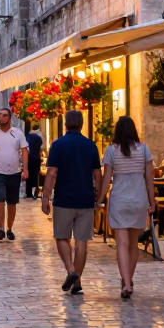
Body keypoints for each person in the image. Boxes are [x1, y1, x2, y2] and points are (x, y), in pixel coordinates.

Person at [42, 110, 102, 296]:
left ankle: (71, 271)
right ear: (82, 124)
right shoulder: (91, 145)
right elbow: (97, 175)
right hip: (85, 199)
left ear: (65, 124)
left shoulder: (58, 145)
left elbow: (51, 173)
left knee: (61, 237)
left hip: (63, 199)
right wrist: (98, 197)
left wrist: (45, 197)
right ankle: (77, 282)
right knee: (82, 241)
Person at [95, 116, 154, 299]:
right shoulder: (144, 150)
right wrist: (152, 202)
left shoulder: (111, 151)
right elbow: (149, 179)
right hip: (139, 199)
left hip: (119, 200)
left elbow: (106, 179)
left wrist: (100, 199)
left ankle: (126, 282)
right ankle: (129, 279)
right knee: (133, 244)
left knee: (122, 243)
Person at [0, 107, 28, 241]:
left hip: (14, 172)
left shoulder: (18, 133)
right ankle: (1, 228)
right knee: (0, 199)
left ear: (9, 118)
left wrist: (25, 169)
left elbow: (24, 151)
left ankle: (10, 228)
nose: (0, 118)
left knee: (12, 202)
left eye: (3, 115)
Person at [25, 126, 44, 199]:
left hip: (29, 159)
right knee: (35, 176)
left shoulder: (28, 137)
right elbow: (41, 147)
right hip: (37, 159)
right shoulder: (39, 137)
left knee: (28, 176)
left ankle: (28, 192)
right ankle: (35, 192)